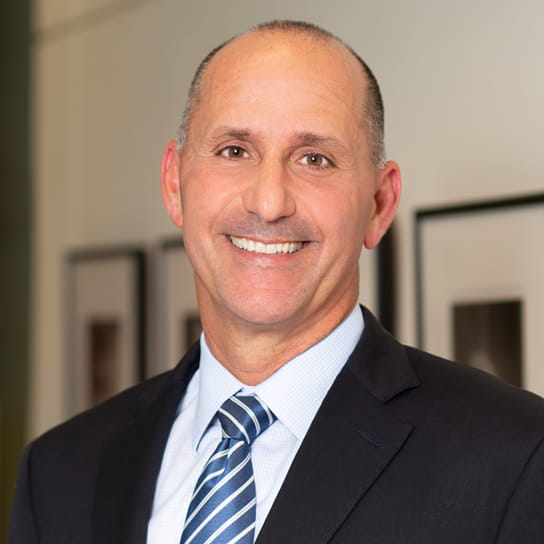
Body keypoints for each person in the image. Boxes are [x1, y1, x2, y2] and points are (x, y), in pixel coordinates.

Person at [9, 20, 544, 544]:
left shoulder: (515, 460)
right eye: (234, 151)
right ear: (174, 184)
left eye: (315, 159)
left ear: (379, 204)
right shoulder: (59, 472)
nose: (268, 203)